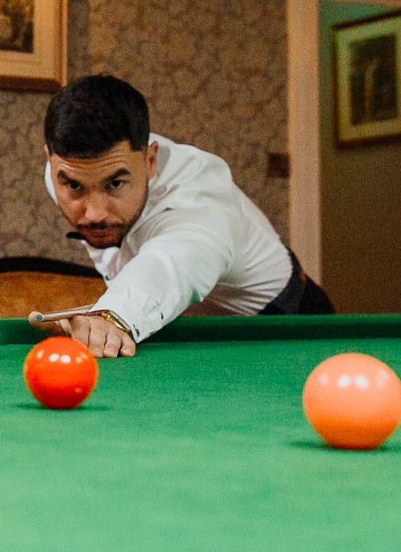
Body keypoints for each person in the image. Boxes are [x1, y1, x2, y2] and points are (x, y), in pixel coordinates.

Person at [42, 74, 333, 358]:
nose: (94, 214)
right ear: (50, 160)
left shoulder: (199, 206)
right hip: (187, 334)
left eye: (116, 183)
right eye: (74, 186)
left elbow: (169, 265)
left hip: (287, 327)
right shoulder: (65, 169)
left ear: (150, 160)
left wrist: (112, 315)